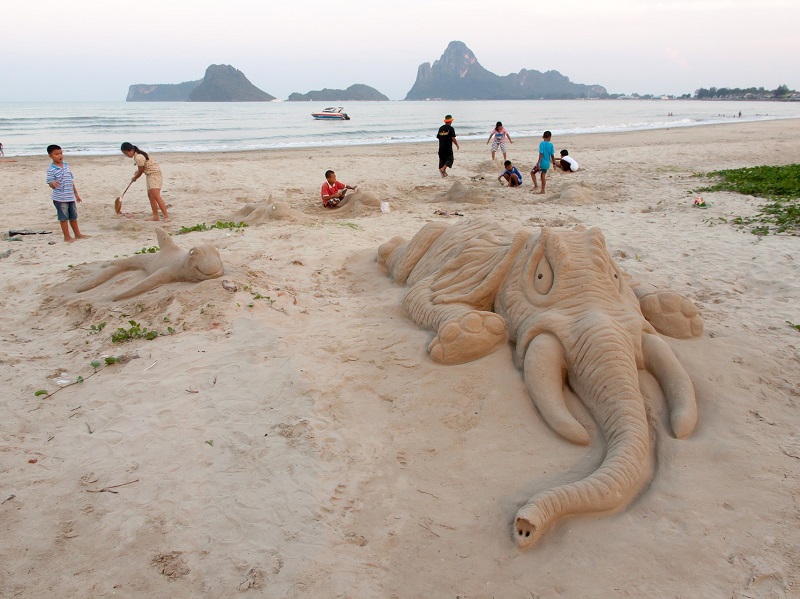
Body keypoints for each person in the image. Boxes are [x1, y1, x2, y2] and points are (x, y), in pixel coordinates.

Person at [46, 144, 88, 242]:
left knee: (73, 216)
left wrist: (76, 194)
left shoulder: (66, 166)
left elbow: (70, 180)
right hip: (60, 198)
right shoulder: (51, 169)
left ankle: (77, 234)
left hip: (70, 196)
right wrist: (53, 183)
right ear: (50, 156)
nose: (60, 156)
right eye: (56, 154)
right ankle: (67, 236)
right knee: (64, 218)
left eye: (61, 153)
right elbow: (50, 182)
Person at [120, 142, 169, 221]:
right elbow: (143, 168)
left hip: (155, 174)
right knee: (151, 196)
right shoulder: (138, 154)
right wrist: (137, 172)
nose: (127, 155)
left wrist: (135, 178)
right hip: (149, 175)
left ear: (131, 150)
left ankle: (166, 216)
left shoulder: (138, 157)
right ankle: (155, 216)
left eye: (126, 153)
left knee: (156, 195)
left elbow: (141, 171)